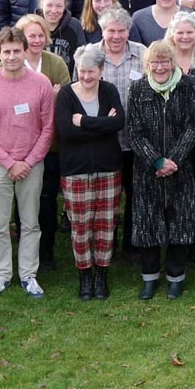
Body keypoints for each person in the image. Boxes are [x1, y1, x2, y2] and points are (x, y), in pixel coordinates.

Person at [0, 29, 56, 300]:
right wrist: (9, 162)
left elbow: (48, 128)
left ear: (25, 51)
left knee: (30, 222)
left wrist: (28, 162)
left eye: (16, 51)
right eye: (6, 51)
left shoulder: (41, 83)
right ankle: (1, 275)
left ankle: (28, 275)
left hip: (32, 164)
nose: (12, 56)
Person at [54, 45, 125, 300]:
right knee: (81, 226)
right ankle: (85, 275)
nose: (86, 76)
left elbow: (119, 123)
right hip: (75, 170)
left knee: (106, 224)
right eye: (82, 71)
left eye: (91, 71)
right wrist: (103, 125)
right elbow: (66, 131)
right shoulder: (66, 94)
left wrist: (83, 122)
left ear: (101, 70)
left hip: (108, 168)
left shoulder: (109, 90)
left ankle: (101, 275)